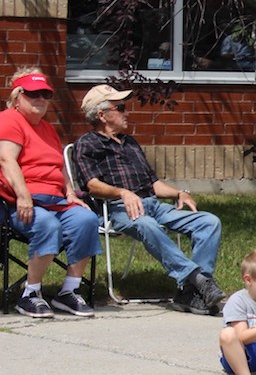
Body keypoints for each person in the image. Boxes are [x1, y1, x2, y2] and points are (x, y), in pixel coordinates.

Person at [73, 84, 225, 314]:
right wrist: (123, 193)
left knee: (209, 221)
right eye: (121, 107)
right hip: (118, 210)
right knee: (146, 224)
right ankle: (197, 280)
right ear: (102, 115)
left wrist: (178, 192)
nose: (127, 113)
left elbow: (154, 184)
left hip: (154, 205)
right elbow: (91, 185)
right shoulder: (87, 143)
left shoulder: (130, 143)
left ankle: (190, 294)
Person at [0, 69, 101, 318]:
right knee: (47, 225)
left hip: (55, 201)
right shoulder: (9, 120)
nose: (41, 99)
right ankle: (30, 294)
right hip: (18, 203)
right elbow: (6, 160)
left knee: (86, 220)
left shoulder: (47, 128)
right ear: (17, 97)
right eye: (33, 94)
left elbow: (59, 167)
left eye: (45, 94)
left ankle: (68, 291)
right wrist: (23, 196)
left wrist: (70, 193)